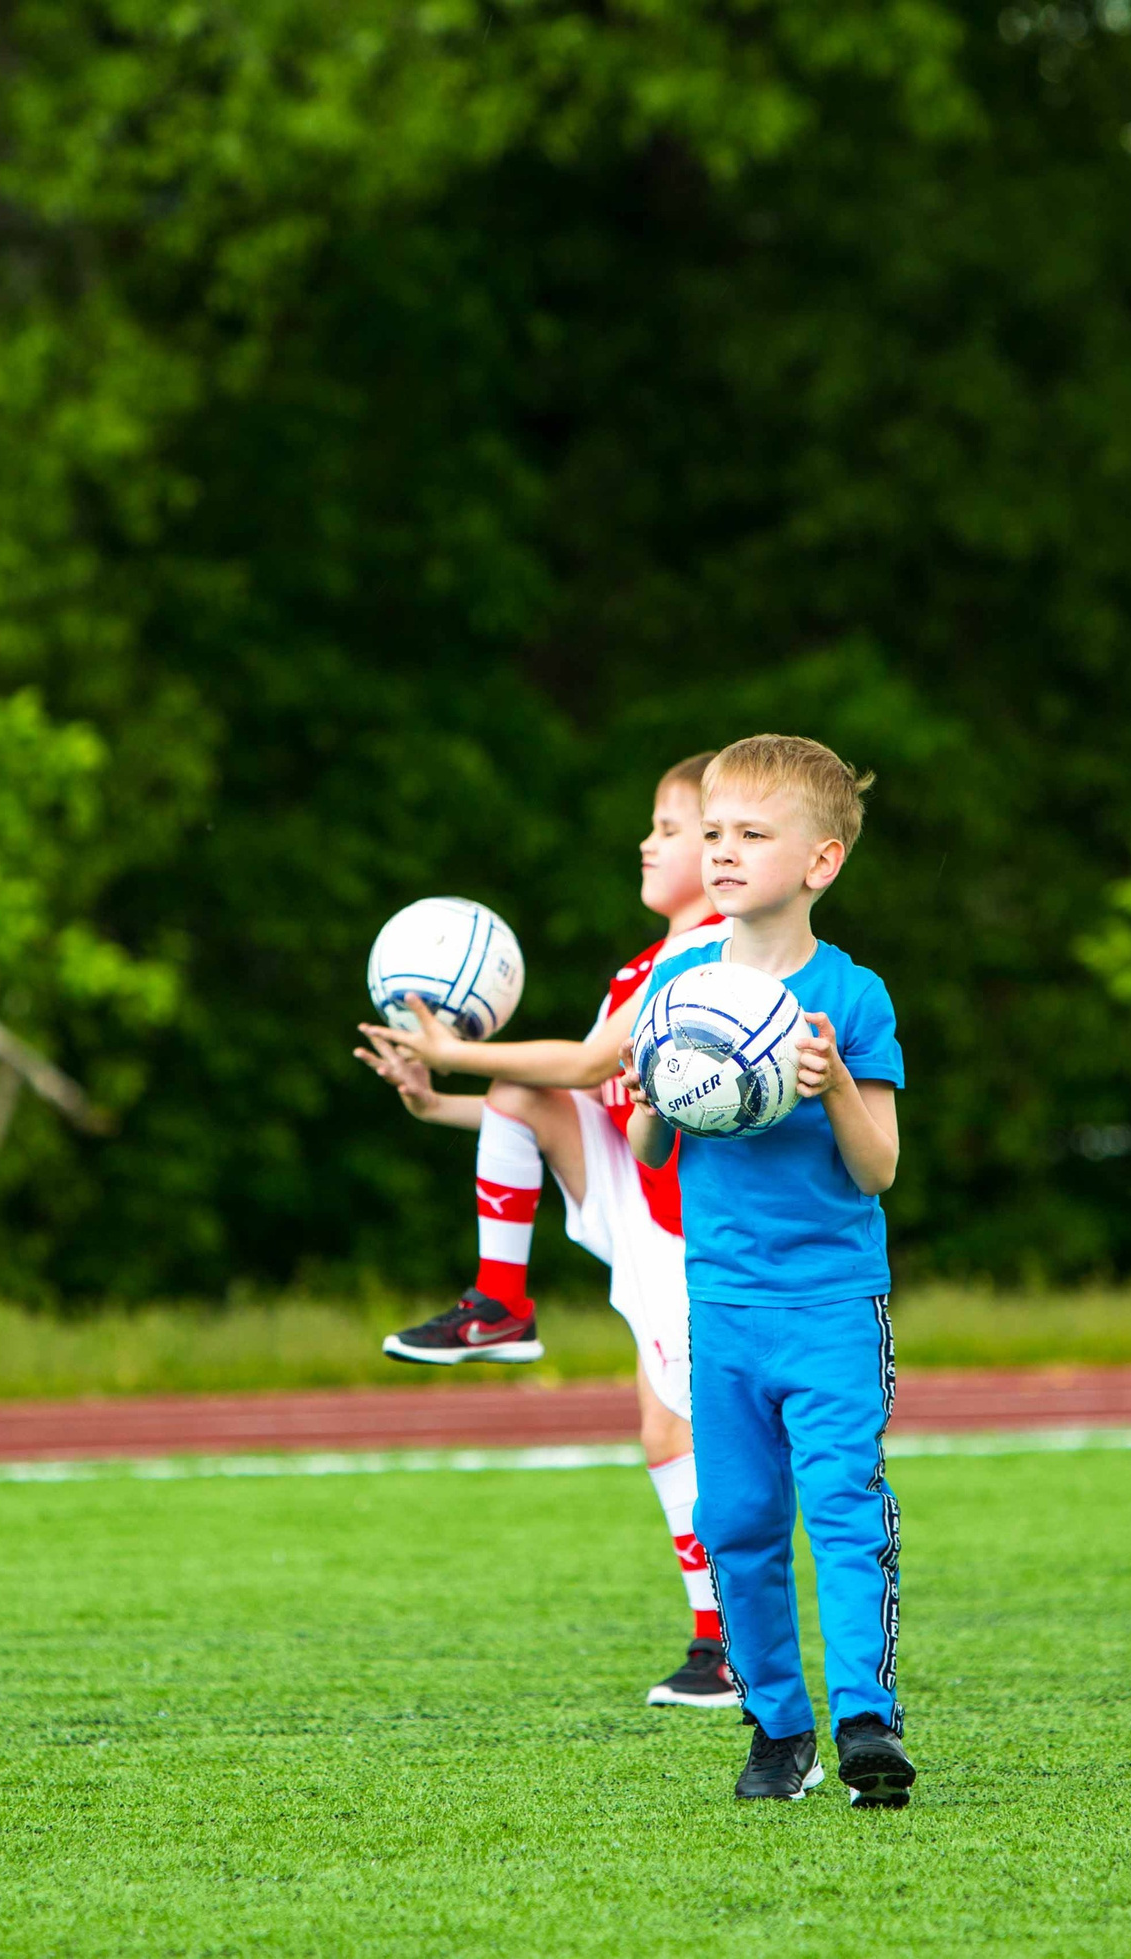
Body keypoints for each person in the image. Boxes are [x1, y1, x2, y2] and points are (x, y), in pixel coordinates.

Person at [354, 753, 738, 1708]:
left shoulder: (716, 948)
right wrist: (435, 1100)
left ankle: (726, 1647)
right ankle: (500, 1304)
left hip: (690, 1223)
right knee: (519, 1090)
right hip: (639, 1191)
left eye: (668, 828)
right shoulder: (640, 965)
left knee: (680, 1432)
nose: (647, 842)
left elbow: (589, 1062)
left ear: (721, 849)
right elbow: (563, 1099)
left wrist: (455, 1048)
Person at [624, 733, 916, 1807]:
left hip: (832, 1303)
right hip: (723, 1304)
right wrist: (657, 1092)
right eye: (713, 833)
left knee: (842, 1507)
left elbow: (877, 1168)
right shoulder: (678, 983)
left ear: (821, 861)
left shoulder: (854, 995)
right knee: (739, 1522)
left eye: (752, 834)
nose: (723, 852)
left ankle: (866, 1721)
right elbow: (650, 1147)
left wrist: (830, 1082)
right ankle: (778, 1728)